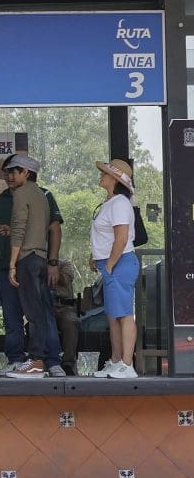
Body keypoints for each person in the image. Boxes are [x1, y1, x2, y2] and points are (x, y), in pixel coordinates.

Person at [0, 153, 67, 378]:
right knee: (12, 316)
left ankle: (49, 360)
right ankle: (16, 360)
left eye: (13, 171)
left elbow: (54, 229)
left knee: (40, 312)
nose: (9, 176)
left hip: (29, 262)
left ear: (25, 173)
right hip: (6, 266)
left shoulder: (42, 195)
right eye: (6, 172)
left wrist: (52, 262)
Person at [90, 159, 139, 379]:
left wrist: (109, 263)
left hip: (119, 263)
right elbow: (107, 236)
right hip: (110, 263)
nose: (101, 175)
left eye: (105, 173)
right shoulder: (110, 202)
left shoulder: (119, 202)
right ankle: (116, 360)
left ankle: (127, 364)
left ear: (116, 179)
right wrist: (97, 258)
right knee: (113, 316)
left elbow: (121, 237)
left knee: (124, 315)